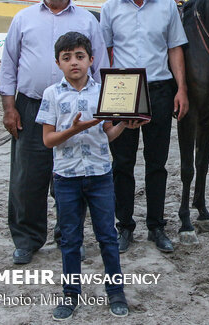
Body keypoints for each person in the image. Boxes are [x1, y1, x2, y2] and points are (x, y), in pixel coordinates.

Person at [0, 0, 108, 265]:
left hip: (77, 108)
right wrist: (9, 108)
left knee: (70, 177)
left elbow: (101, 70)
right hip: (29, 106)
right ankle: (27, 239)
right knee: (27, 177)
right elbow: (9, 67)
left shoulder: (87, 21)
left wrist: (105, 111)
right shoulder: (23, 18)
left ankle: (69, 237)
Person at [36, 32, 139, 320]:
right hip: (66, 178)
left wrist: (124, 125)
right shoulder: (51, 95)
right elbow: (48, 140)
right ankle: (70, 294)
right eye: (67, 58)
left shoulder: (103, 91)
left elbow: (108, 133)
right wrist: (74, 130)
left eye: (80, 56)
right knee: (70, 239)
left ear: (91, 60)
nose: (74, 63)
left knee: (107, 235)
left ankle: (115, 292)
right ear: (58, 63)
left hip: (100, 174)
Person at [100, 0, 189, 254]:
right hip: (122, 89)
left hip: (159, 90)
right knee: (122, 162)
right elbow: (106, 54)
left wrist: (182, 89)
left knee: (157, 162)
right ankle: (124, 225)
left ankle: (156, 226)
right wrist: (108, 96)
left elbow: (175, 49)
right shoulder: (110, 9)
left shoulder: (167, 7)